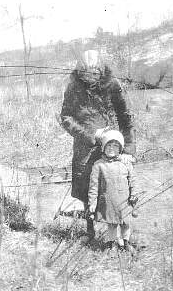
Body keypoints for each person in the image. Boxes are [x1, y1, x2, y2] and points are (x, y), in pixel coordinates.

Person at [57, 50, 136, 238]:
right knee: (87, 188)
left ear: (101, 71)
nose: (89, 78)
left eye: (94, 73)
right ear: (79, 72)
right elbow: (66, 118)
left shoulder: (113, 85)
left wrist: (130, 150)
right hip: (85, 145)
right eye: (85, 74)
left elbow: (126, 118)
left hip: (113, 144)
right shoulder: (73, 88)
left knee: (118, 187)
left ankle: (122, 235)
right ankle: (90, 231)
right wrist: (91, 134)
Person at [88, 130, 139, 250]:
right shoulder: (98, 165)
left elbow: (133, 181)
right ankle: (112, 244)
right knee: (112, 224)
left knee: (125, 223)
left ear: (120, 149)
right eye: (108, 145)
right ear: (103, 148)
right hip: (108, 201)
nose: (112, 148)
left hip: (125, 200)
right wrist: (92, 203)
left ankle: (126, 243)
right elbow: (93, 186)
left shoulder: (126, 163)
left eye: (115, 146)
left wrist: (134, 194)